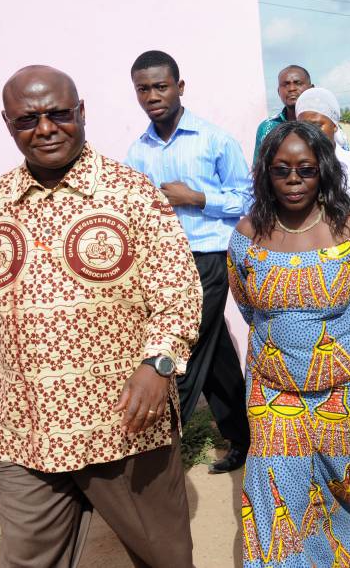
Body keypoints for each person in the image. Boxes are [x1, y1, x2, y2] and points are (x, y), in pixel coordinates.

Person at [0, 65, 201, 567]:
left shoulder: (132, 192)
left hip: (122, 422)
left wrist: (158, 364)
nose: (46, 128)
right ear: (9, 124)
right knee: (29, 559)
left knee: (165, 558)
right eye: (29, 119)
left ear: (81, 113)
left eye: (58, 114)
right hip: (23, 426)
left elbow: (178, 291)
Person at [227, 121, 350, 568]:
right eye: (282, 170)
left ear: (324, 171)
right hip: (273, 385)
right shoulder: (245, 236)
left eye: (306, 169)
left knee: (349, 473)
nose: (294, 180)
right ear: (266, 174)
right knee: (276, 484)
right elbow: (247, 306)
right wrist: (285, 340)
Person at [126, 50, 252, 473]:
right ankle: (244, 439)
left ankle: (158, 452)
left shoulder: (214, 140)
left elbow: (248, 200)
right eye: (143, 89)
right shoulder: (137, 151)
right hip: (162, 265)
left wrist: (195, 198)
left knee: (185, 350)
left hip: (208, 257)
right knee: (216, 356)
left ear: (180, 87)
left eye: (160, 86)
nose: (152, 96)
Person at [294, 87, 350, 246]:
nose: (311, 133)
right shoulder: (291, 169)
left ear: (335, 125)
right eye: (304, 127)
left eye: (317, 125)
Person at [254, 65, 313, 163]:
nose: (291, 89)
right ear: (278, 91)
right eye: (285, 84)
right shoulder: (267, 127)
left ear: (311, 89)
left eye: (297, 83)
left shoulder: (324, 124)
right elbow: (258, 170)